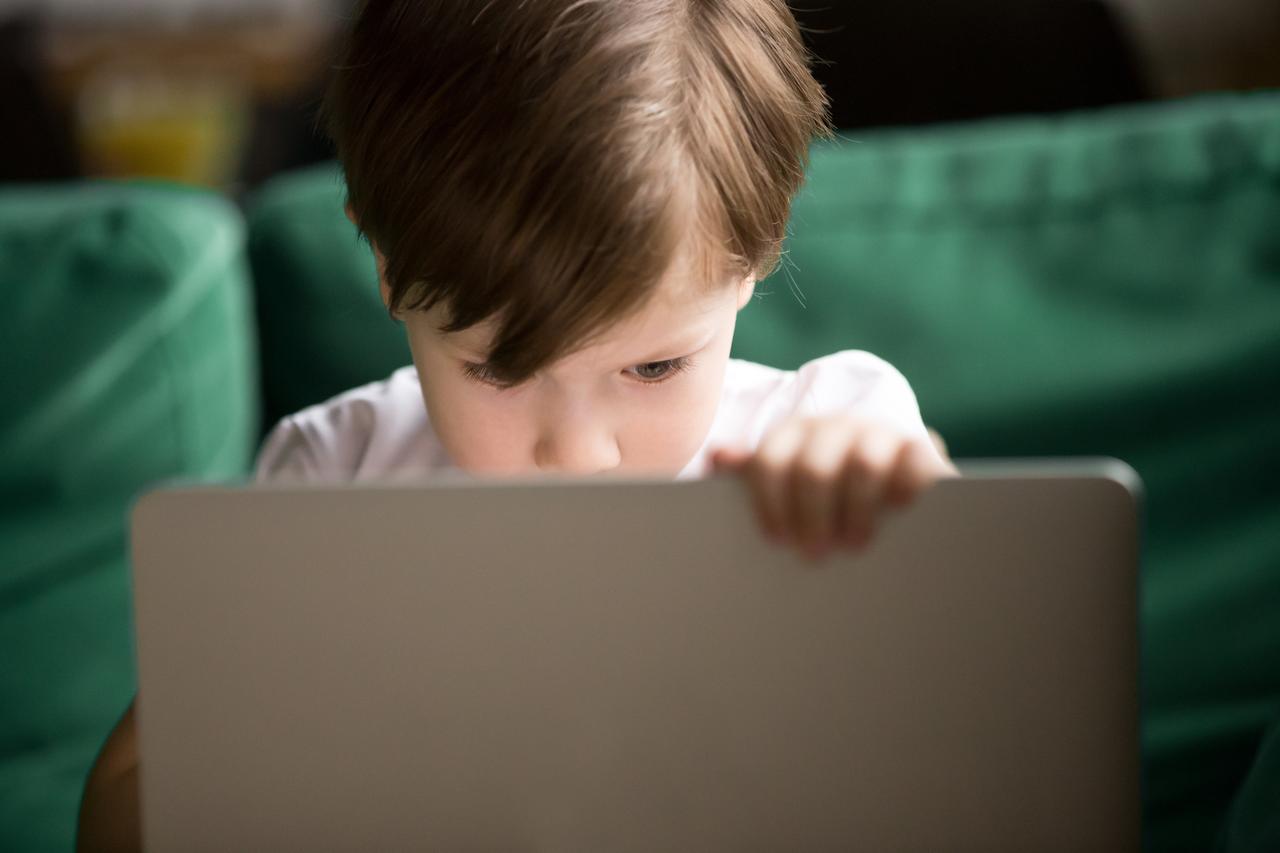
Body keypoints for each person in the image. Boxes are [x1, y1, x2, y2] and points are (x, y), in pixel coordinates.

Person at [76, 0, 956, 848]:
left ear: (754, 261)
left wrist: (888, 516)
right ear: (387, 267)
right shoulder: (336, 477)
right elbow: (124, 815)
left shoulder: (826, 430)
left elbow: (976, 708)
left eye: (654, 367)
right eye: (500, 367)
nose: (579, 453)